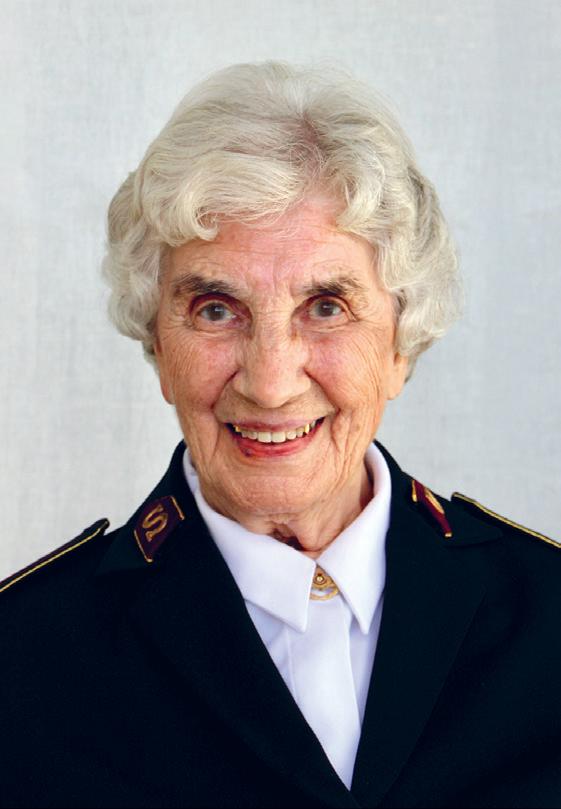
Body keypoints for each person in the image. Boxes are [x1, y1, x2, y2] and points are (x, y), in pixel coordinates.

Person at [1, 62, 560, 809]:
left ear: (401, 343)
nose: (269, 383)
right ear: (157, 343)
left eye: (326, 307)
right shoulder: (24, 656)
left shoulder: (548, 618)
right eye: (215, 309)